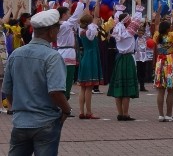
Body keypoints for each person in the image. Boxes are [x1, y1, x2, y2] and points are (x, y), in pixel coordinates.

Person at [2, 9, 74, 155]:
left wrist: (18, 108)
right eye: (57, 28)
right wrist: (66, 110)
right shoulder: (53, 57)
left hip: (21, 122)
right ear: (51, 31)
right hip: (45, 122)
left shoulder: (16, 54)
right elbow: (55, 92)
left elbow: (7, 90)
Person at [107, 4, 144, 120]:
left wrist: (120, 7)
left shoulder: (118, 30)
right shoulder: (129, 32)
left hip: (119, 59)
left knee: (119, 87)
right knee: (126, 88)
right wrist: (138, 6)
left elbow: (118, 18)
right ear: (127, 22)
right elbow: (137, 20)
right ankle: (126, 114)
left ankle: (120, 113)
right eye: (129, 20)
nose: (131, 21)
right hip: (127, 59)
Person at [152, 6, 173, 122]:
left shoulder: (157, 36)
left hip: (160, 62)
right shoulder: (172, 36)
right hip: (170, 62)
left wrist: (159, 12)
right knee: (171, 90)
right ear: (167, 29)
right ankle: (169, 114)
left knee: (161, 90)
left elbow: (156, 24)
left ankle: (161, 115)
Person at [75, 13, 103, 119]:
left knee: (83, 87)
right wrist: (94, 25)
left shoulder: (81, 31)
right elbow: (92, 37)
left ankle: (82, 111)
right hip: (91, 57)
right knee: (89, 87)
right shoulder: (90, 32)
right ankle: (89, 112)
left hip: (85, 56)